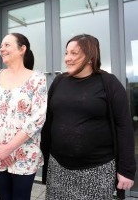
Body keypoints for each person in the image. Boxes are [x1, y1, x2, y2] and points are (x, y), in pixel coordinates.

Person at [41, 34, 136, 200]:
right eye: (66, 53)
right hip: (58, 167)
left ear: (91, 57)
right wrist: (42, 154)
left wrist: (126, 170)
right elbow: (48, 121)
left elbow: (124, 126)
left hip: (97, 170)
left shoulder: (109, 83)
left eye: (74, 53)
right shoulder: (58, 81)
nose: (67, 59)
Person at [0, 33, 47, 200]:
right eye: (1, 46)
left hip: (24, 154)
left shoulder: (37, 79)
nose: (2, 49)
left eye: (7, 45)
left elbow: (37, 119)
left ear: (22, 49)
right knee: (4, 197)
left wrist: (8, 149)